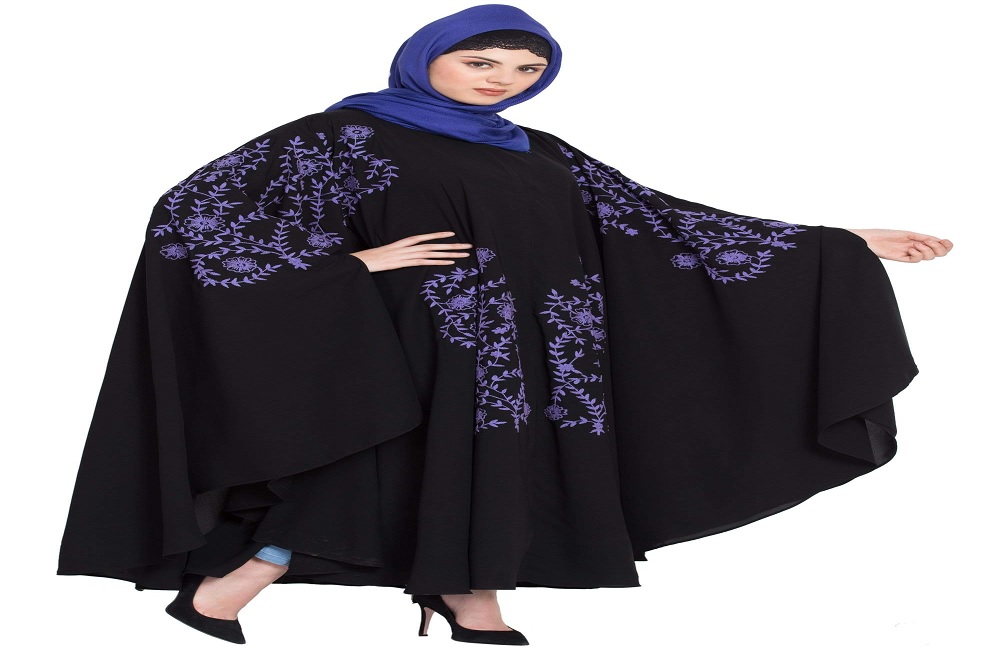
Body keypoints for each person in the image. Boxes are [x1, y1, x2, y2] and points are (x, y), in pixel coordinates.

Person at [56, 3, 953, 646]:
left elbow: (660, 225)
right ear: (428, 58)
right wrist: (354, 265)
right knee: (368, 456)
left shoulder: (541, 152)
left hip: (531, 350)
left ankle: (466, 593)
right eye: (482, 61)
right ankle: (241, 579)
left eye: (526, 70)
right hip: (406, 337)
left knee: (500, 465)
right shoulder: (343, 137)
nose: (503, 81)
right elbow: (199, 218)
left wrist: (839, 244)